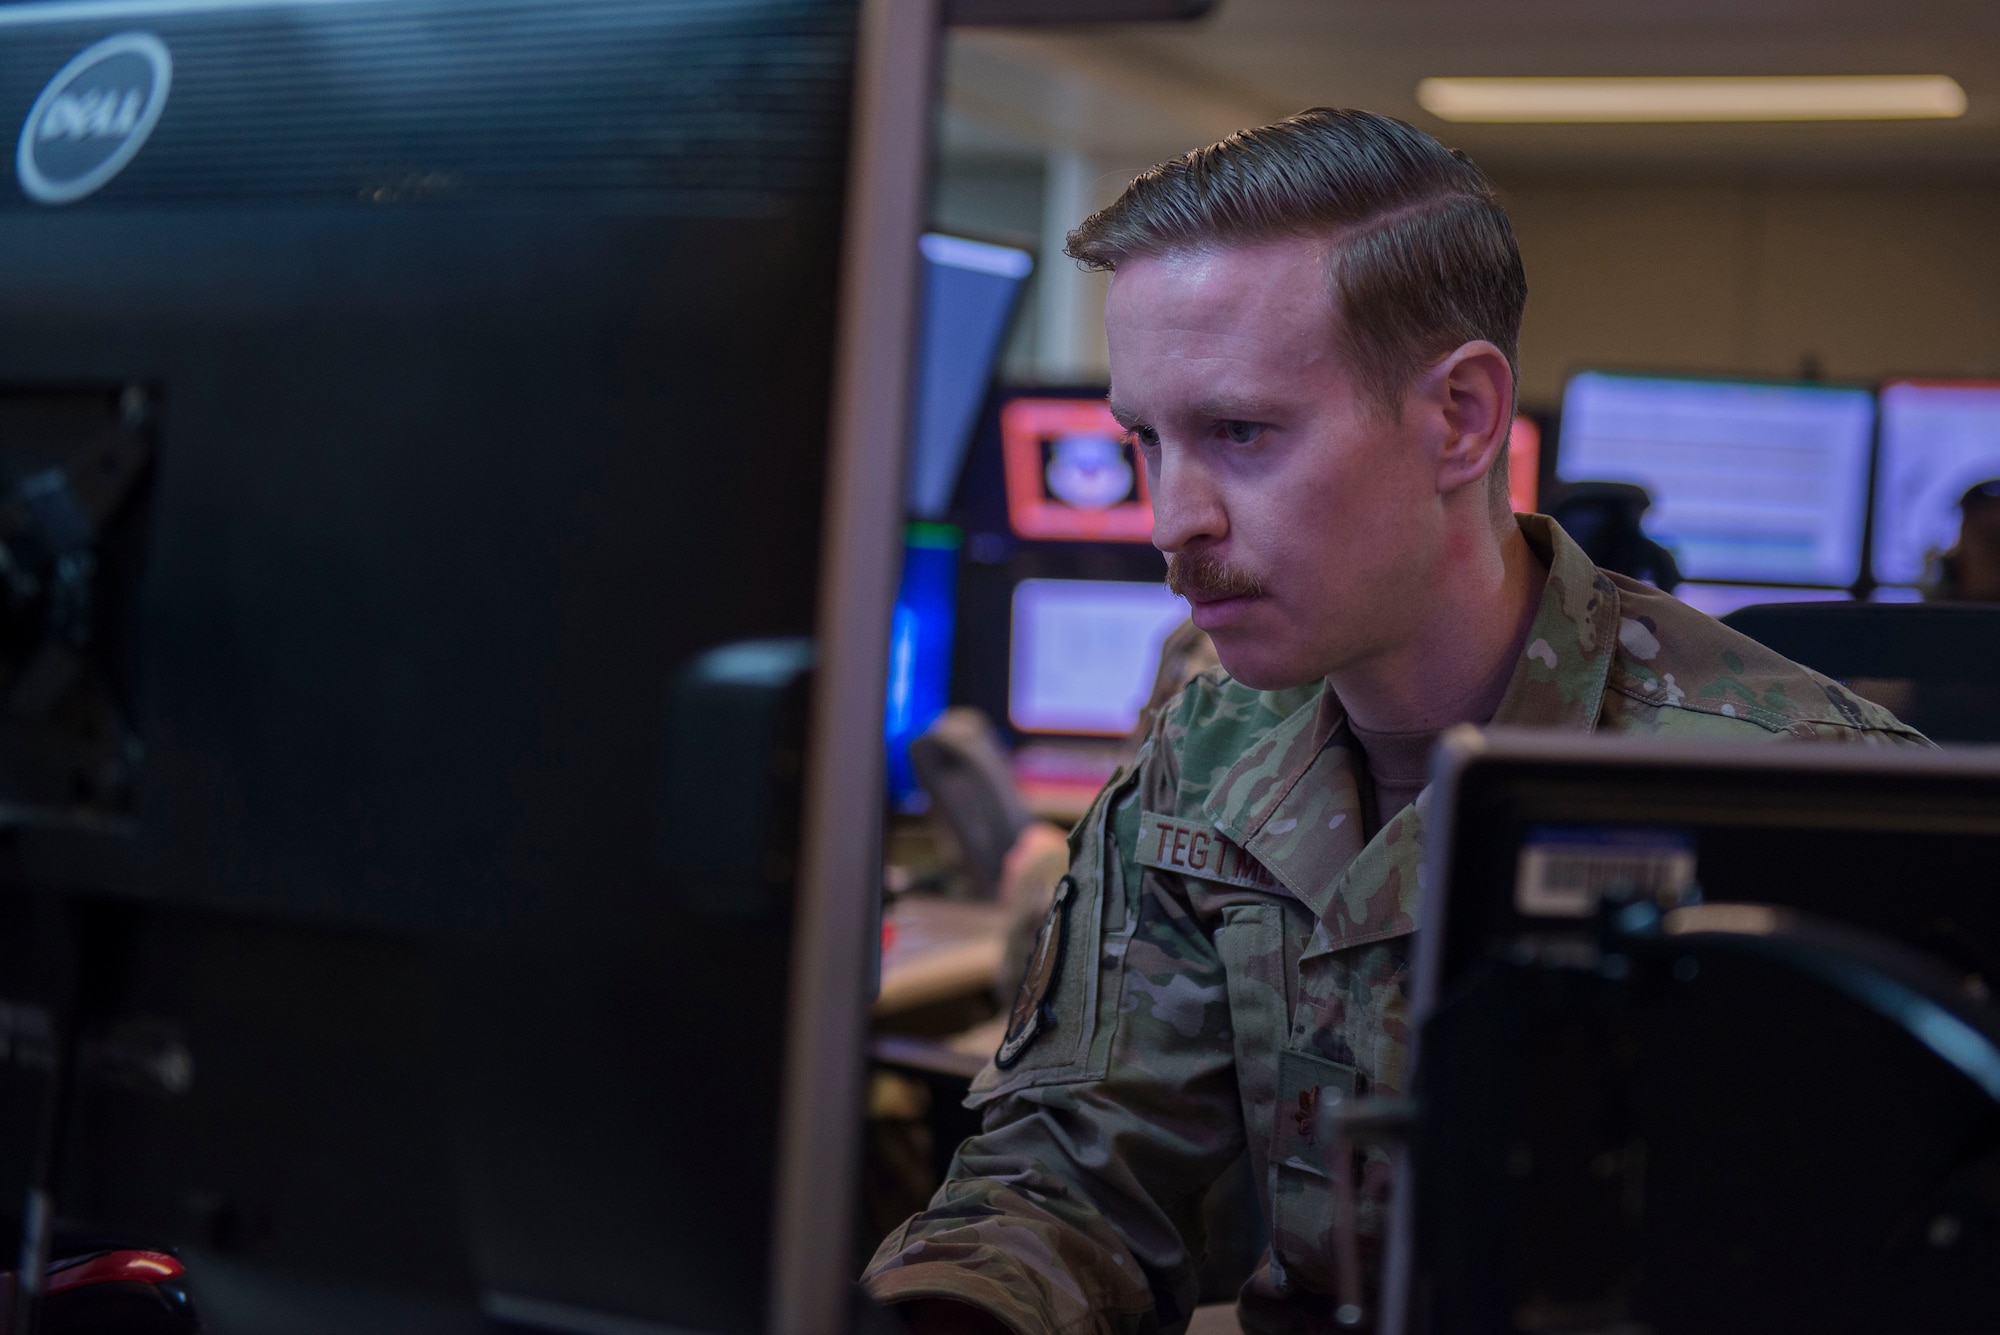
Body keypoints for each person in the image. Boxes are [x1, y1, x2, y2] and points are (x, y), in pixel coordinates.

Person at [864, 108, 1928, 1335]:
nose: (1170, 522)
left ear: (1461, 420)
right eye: (1146, 441)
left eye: (1241, 433)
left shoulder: (1800, 794)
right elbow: (1072, 1169)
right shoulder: (1205, 750)